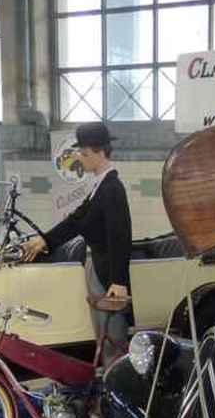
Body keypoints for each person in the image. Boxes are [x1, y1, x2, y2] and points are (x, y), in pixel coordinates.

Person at [21, 123, 132, 364]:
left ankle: (117, 381)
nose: (80, 158)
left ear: (99, 152)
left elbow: (120, 237)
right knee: (102, 334)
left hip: (107, 274)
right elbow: (76, 221)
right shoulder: (99, 186)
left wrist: (119, 281)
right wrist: (44, 240)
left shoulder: (112, 188)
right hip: (97, 266)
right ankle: (107, 378)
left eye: (84, 153)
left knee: (112, 337)